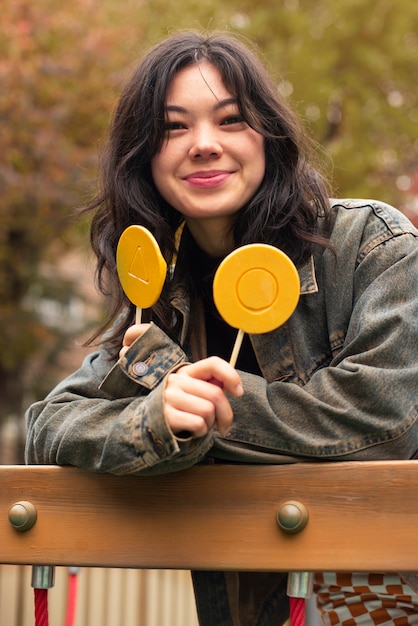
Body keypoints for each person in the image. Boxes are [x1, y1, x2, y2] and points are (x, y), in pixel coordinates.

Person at [25, 30, 418, 625]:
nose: (203, 145)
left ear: (270, 138)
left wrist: (189, 394)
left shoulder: (371, 245)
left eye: (231, 120)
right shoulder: (158, 295)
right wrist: (155, 420)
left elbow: (387, 421)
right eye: (173, 127)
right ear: (143, 155)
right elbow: (51, 425)